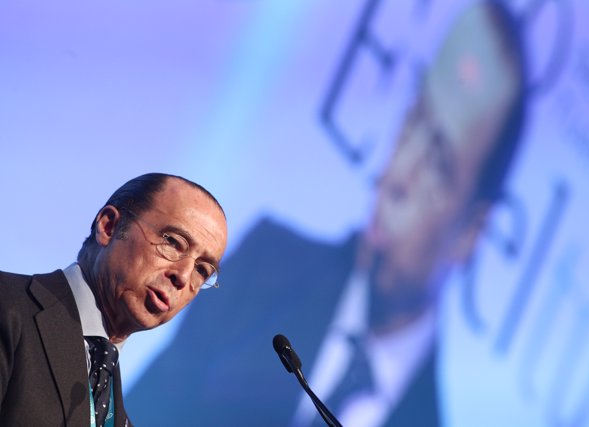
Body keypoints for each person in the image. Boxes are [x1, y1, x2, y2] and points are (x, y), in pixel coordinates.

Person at [127, 1, 527, 425]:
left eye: (437, 166)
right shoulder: (267, 265)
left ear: (471, 232)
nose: (397, 177)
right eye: (413, 121)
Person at [0, 173, 228, 427]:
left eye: (202, 270)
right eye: (173, 242)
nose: (183, 276)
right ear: (109, 227)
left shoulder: (118, 417)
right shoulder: (7, 305)